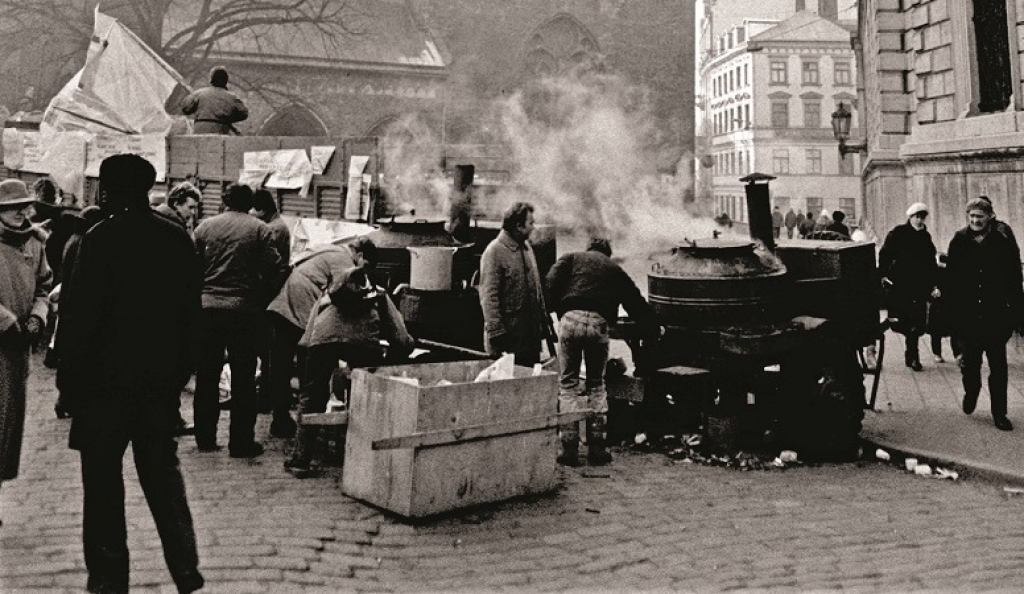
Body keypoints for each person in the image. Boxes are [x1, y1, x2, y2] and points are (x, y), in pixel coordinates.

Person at [56, 154, 204, 593]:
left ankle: (108, 578)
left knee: (102, 484)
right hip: (156, 386)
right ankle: (185, 568)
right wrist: (177, 377)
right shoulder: (176, 238)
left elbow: (79, 319)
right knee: (163, 477)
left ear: (107, 191)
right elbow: (190, 319)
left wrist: (68, 385)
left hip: (103, 388)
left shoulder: (98, 239)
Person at [285, 261, 414, 477]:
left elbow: (307, 336)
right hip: (363, 342)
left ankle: (301, 459)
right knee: (364, 397)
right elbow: (399, 336)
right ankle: (362, 456)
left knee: (312, 396)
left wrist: (310, 364)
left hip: (323, 339)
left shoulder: (330, 292)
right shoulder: (379, 294)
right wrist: (408, 344)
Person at [545, 237, 662, 467]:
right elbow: (635, 301)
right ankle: (597, 448)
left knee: (567, 384)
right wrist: (654, 327)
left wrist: (557, 311)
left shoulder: (570, 258)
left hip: (570, 320)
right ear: (607, 253)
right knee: (596, 384)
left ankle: (569, 448)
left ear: (589, 248)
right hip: (599, 323)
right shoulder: (613, 268)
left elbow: (549, 283)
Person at [193, 183, 289, 457]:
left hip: (208, 309)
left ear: (224, 200)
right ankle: (240, 442)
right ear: (250, 204)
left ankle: (205, 438)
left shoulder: (204, 228)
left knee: (207, 374)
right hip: (244, 313)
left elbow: (193, 267)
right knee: (244, 378)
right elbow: (274, 267)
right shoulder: (260, 230)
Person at [263, 239, 376, 440]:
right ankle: (305, 428)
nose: (363, 271)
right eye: (365, 265)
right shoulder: (345, 262)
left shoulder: (328, 247)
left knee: (280, 367)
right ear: (360, 256)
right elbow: (345, 296)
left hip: (283, 303)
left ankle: (280, 419)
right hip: (303, 305)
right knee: (312, 369)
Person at [946, 197, 1024, 431]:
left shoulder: (1002, 240)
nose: (975, 220)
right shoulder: (959, 240)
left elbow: (1014, 278)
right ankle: (971, 392)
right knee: (971, 366)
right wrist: (952, 314)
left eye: (980, 216)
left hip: (995, 315)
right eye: (971, 216)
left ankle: (999, 413)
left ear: (990, 216)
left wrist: (1017, 314)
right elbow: (951, 280)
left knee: (998, 367)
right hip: (968, 316)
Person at [0, 180, 50, 523]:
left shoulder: (35, 242)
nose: (22, 211)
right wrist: (6, 321)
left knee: (8, 424)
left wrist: (36, 317)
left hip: (17, 351)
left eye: (25, 205)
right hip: (4, 337)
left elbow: (44, 286)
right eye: (13, 206)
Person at [50, 205, 105, 420]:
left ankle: (66, 399)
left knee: (69, 356)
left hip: (68, 308)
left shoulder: (73, 240)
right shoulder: (83, 243)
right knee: (75, 357)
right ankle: (67, 400)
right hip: (76, 308)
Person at [479, 202, 549, 366]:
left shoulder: (527, 249)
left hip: (529, 340)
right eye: (530, 223)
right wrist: (497, 332)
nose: (534, 228)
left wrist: (543, 323)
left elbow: (537, 289)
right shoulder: (494, 252)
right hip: (507, 341)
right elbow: (489, 296)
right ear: (518, 226)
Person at [879, 202, 940, 371]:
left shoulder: (925, 237)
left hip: (919, 285)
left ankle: (912, 354)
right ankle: (912, 354)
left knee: (918, 321)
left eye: (922, 217)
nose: (920, 220)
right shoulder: (898, 233)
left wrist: (935, 283)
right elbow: (885, 254)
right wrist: (883, 275)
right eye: (917, 217)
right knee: (904, 320)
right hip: (901, 284)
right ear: (910, 217)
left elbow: (931, 261)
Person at [181, 66, 248, 135]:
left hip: (200, 129)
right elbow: (244, 113)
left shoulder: (198, 93)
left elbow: (185, 107)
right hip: (220, 129)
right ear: (226, 80)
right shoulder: (232, 97)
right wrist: (229, 117)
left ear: (211, 79)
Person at [928, 252, 960, 364]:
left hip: (939, 304)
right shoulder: (952, 271)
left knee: (936, 332)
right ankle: (957, 353)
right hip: (949, 304)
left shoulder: (934, 271)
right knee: (954, 331)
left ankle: (937, 353)